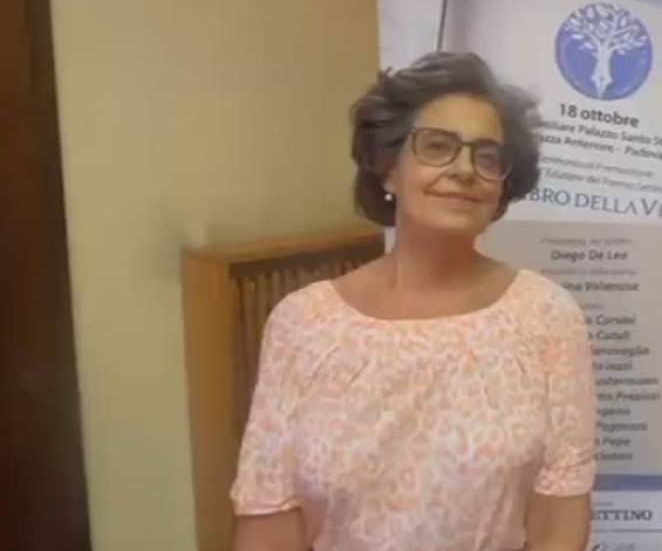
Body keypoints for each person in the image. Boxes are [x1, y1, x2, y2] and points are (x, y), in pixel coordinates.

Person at [230, 52, 596, 551]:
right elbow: (269, 523)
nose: (464, 169)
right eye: (438, 146)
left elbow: (559, 522)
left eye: (487, 156)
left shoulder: (546, 316)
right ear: (388, 169)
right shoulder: (303, 324)